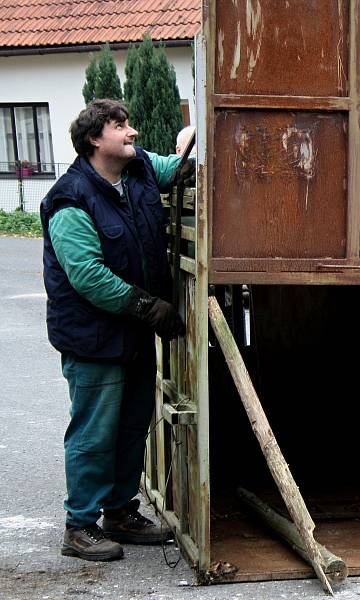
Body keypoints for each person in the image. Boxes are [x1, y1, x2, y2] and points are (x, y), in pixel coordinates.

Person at [40, 99, 186, 561]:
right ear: (94, 141)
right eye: (120, 126)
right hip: (94, 337)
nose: (133, 133)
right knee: (94, 432)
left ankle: (118, 511)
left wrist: (199, 141)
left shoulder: (139, 170)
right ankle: (79, 524)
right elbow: (88, 276)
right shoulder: (71, 198)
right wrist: (149, 307)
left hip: (133, 332)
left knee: (132, 423)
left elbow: (180, 166)